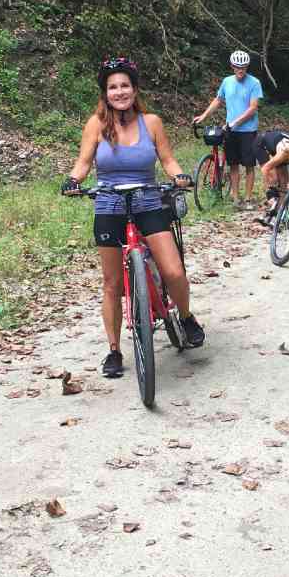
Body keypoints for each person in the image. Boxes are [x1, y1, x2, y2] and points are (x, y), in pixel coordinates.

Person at [63, 57, 205, 378]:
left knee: (173, 270)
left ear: (134, 89)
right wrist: (73, 180)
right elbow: (83, 163)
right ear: (105, 93)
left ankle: (184, 316)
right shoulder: (95, 125)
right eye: (113, 87)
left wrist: (180, 175)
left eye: (124, 85)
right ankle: (114, 350)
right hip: (109, 205)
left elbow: (167, 160)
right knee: (112, 284)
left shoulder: (151, 122)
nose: (119, 91)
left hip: (148, 201)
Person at [192, 50, 263, 209]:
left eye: (243, 67)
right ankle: (236, 198)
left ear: (247, 67)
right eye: (237, 67)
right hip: (231, 130)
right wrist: (203, 116)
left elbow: (252, 109)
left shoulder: (254, 83)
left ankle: (248, 199)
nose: (240, 70)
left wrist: (234, 123)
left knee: (249, 165)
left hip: (248, 130)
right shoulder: (227, 81)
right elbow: (218, 100)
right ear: (232, 66)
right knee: (233, 164)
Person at [253, 128, 289, 225]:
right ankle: (273, 205)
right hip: (261, 143)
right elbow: (265, 169)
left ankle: (281, 211)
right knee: (274, 179)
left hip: (283, 143)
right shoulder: (285, 152)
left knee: (285, 182)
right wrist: (271, 193)